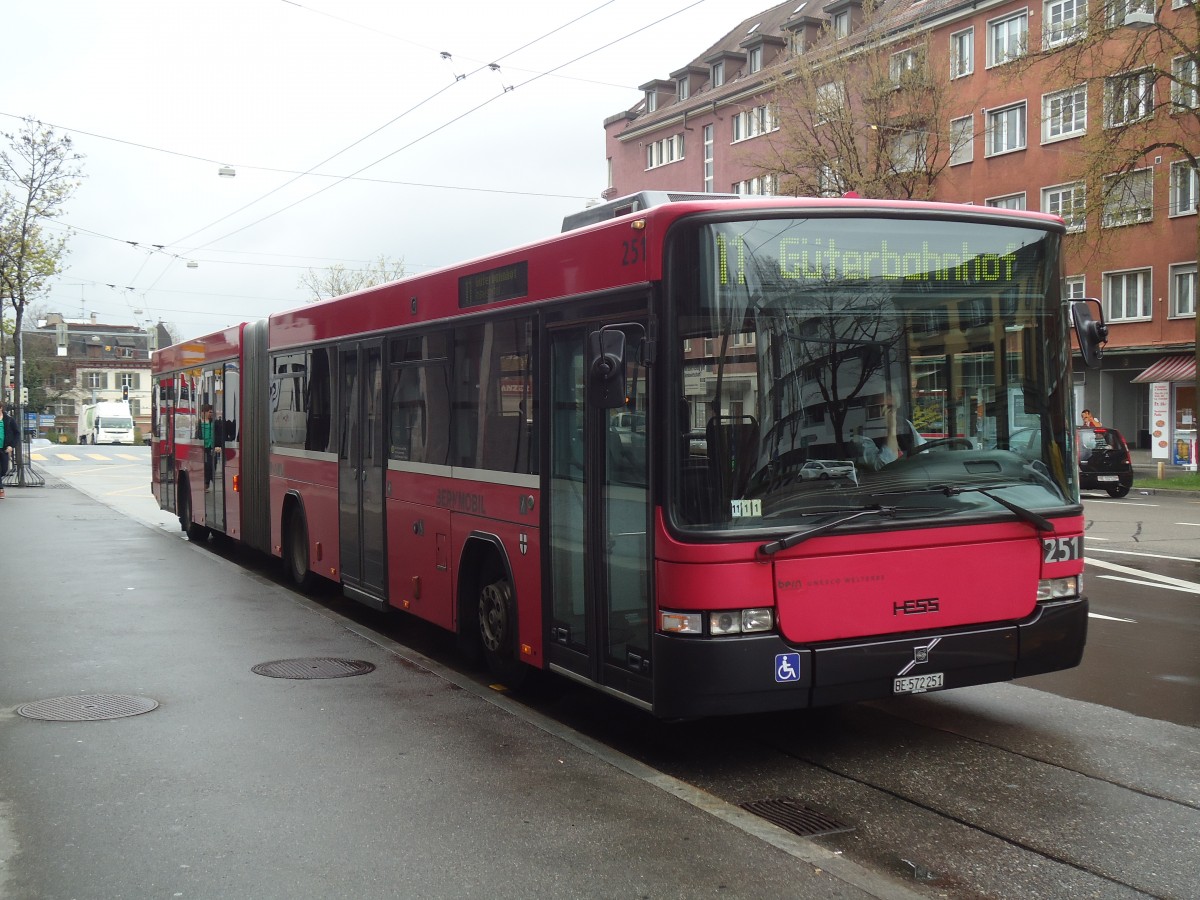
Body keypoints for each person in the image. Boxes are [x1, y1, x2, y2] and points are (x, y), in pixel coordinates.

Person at [0, 400, 18, 499]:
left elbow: (17, 433)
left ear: (1, 408)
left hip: (5, 448)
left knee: (4, 470)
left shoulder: (9, 420)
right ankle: (1, 490)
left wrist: (12, 446)